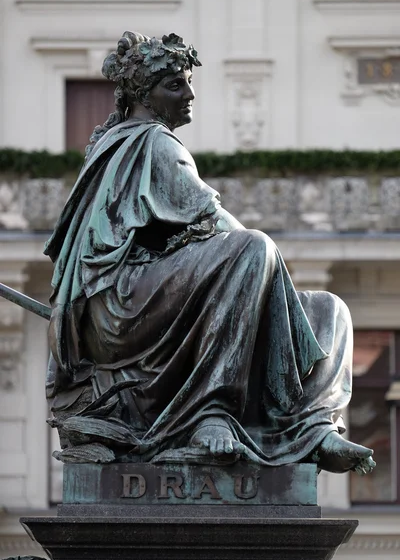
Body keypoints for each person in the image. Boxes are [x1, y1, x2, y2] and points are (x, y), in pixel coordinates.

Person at [45, 31, 375, 474]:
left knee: (330, 308)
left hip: (144, 297)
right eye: (175, 84)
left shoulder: (133, 143)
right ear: (143, 95)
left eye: (188, 81)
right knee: (255, 247)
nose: (190, 93)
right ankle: (211, 412)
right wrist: (273, 295)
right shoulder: (152, 142)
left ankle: (316, 428)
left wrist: (283, 305)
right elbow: (221, 227)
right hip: (119, 306)